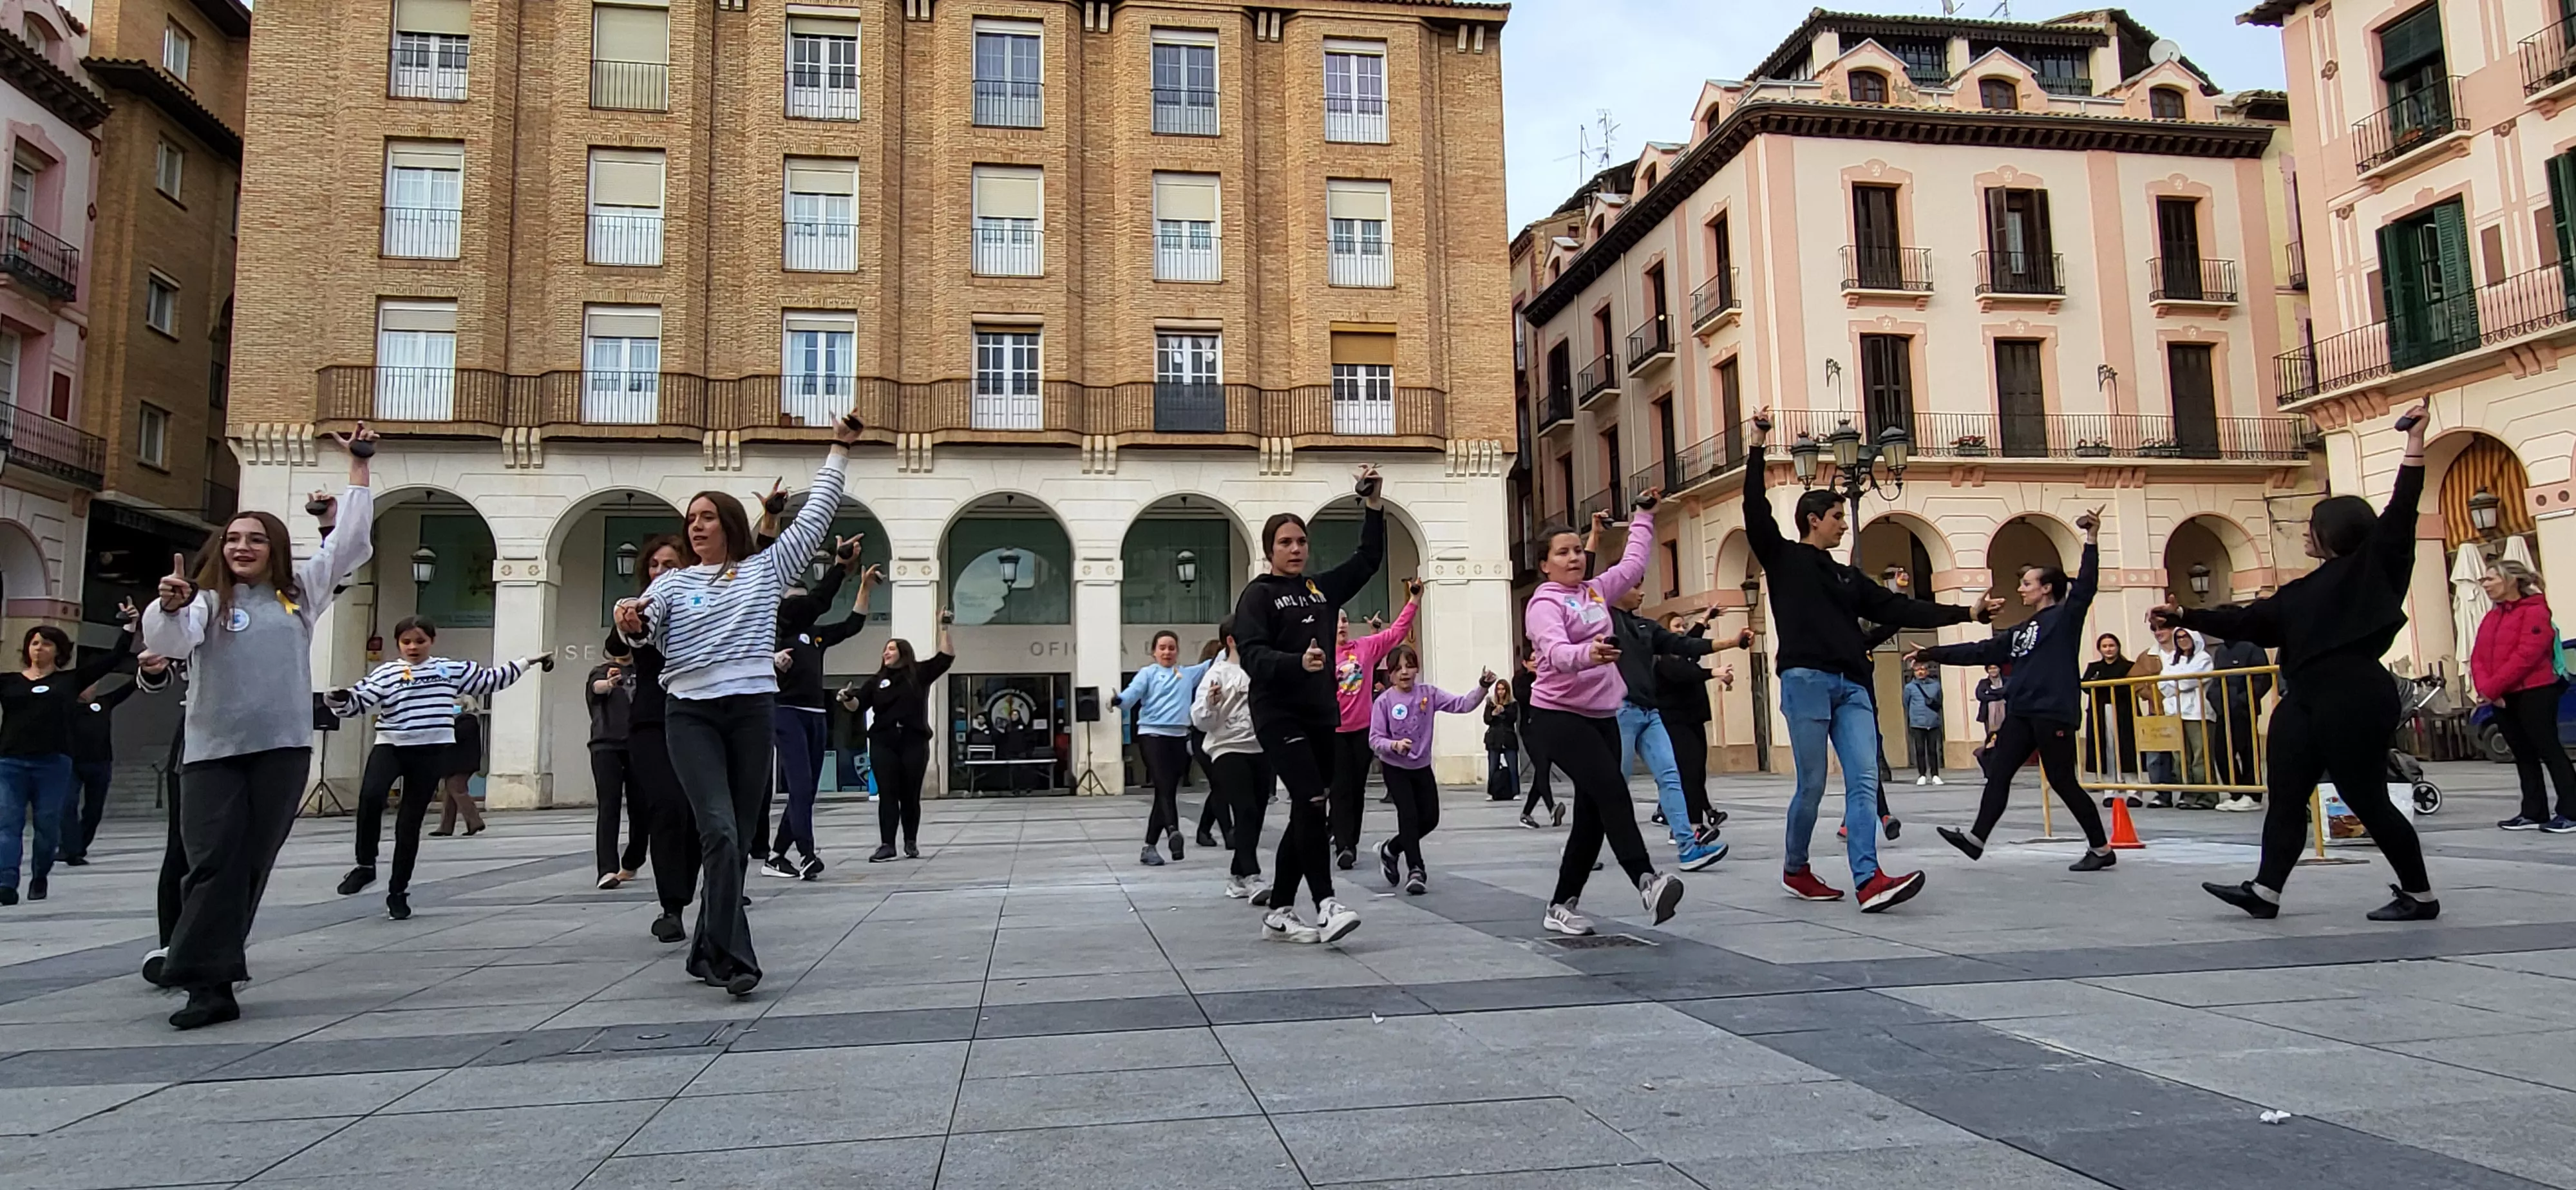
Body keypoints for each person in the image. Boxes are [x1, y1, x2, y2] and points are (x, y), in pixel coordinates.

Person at [2159, 401, 2439, 923]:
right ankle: (2266, 891)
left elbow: (2403, 507)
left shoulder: (2376, 567)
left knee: (2365, 796)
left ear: (2334, 532)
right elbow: (2250, 621)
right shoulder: (2303, 590)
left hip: (2354, 691)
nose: (2305, 534)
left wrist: (2415, 443)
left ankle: (2421, 894)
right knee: (2285, 792)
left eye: (2313, 526)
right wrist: (2186, 614)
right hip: (2304, 696)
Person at [614, 415, 863, 997]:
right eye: (690, 519)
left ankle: (706, 949)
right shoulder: (671, 585)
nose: (696, 526)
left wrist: (839, 449)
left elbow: (818, 512)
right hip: (691, 714)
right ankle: (734, 959)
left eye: (705, 517)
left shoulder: (764, 570)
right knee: (720, 831)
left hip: (752, 712)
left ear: (727, 524)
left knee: (738, 839)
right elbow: (639, 626)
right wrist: (631, 620)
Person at [142, 424, 379, 1029]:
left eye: (255, 539)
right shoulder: (203, 602)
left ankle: (213, 976)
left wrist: (358, 466)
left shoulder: (299, 594)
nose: (242, 547)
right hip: (213, 754)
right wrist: (167, 606)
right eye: (233, 539)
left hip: (281, 752)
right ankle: (201, 979)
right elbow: (171, 641)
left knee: (251, 863)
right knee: (212, 861)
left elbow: (348, 542)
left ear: (274, 548)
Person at [1745, 408, 1966, 912]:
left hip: (1853, 686)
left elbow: (1898, 607)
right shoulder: (1783, 558)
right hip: (1805, 681)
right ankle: (1796, 868)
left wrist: (1965, 610)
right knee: (1813, 784)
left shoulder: (1848, 578)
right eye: (1838, 517)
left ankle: (1869, 880)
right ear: (1812, 521)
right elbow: (1754, 509)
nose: (1845, 524)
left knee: (1865, 779)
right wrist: (1757, 445)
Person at [1228, 465, 1386, 945]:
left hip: (1322, 715)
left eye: (1301, 542)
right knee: (1313, 800)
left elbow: (1368, 560)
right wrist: (1299, 662)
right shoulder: (1257, 595)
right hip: (1279, 713)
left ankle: (1278, 909)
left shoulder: (1320, 589)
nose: (1296, 550)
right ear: (1269, 549)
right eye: (1286, 543)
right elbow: (1252, 655)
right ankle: (1326, 904)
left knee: (1307, 810)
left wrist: (1374, 506)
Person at [1526, 492, 1687, 937]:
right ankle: (1647, 881)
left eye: (1578, 550)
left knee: (1593, 813)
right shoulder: (1544, 603)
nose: (1574, 557)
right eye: (1563, 553)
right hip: (1557, 717)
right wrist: (1588, 654)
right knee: (1612, 789)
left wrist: (1644, 516)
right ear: (1546, 564)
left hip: (1602, 714)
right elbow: (1555, 651)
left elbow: (1633, 566)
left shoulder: (1595, 592)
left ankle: (1560, 904)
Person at [1920, 509, 2117, 872]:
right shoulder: (2023, 629)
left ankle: (2102, 849)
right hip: (2023, 711)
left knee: (2062, 780)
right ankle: (1976, 840)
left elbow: (2086, 585)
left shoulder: (2066, 616)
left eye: (2028, 583)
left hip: (2052, 710)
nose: (2021, 588)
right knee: (1999, 771)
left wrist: (2091, 540)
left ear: (2047, 588)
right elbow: (1982, 651)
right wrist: (1932, 654)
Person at [327, 618, 545, 918]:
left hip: (431, 750)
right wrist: (338, 700)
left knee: (409, 823)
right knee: (370, 796)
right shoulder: (386, 673)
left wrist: (526, 662)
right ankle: (365, 865)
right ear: (398, 644)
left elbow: (491, 680)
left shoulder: (448, 669)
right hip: (391, 744)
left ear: (432, 640)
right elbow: (359, 702)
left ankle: (398, 891)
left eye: (419, 641)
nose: (413, 647)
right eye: (406, 642)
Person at [2, 618, 138, 904]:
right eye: (35, 643)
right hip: (10, 762)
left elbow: (111, 659)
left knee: (47, 825)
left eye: (47, 643)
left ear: (59, 651)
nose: (39, 648)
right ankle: (6, 882)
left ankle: (40, 875)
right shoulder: (9, 682)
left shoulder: (70, 681)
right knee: (7, 824)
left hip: (53, 763)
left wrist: (128, 630)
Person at [764, 534, 869, 880]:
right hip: (786, 711)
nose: (798, 607)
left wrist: (864, 586)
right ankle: (807, 854)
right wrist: (771, 663)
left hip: (816, 714)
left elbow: (852, 625)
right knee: (799, 785)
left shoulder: (816, 637)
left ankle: (777, 855)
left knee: (807, 789)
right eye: (791, 601)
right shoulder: (769, 636)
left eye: (801, 600)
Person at [614, 534, 701, 943]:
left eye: (670, 564)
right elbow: (618, 642)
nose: (661, 571)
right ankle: (672, 907)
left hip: (698, 715)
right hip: (651, 720)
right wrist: (628, 620)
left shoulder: (701, 607)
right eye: (654, 565)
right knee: (666, 807)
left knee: (697, 813)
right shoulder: (636, 610)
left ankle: (692, 889)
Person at [1607, 585, 1730, 871]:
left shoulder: (1647, 627)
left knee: (1671, 776)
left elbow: (1685, 644)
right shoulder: (1605, 620)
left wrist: (1731, 643)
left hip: (1650, 713)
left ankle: (1688, 848)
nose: (1641, 591)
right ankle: (1582, 846)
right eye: (1634, 586)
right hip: (1621, 710)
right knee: (1612, 785)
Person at [843, 565, 954, 863]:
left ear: (902, 652)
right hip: (884, 742)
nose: (886, 652)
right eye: (885, 649)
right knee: (888, 794)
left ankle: (911, 841)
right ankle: (887, 844)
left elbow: (946, 659)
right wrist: (846, 700)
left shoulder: (918, 673)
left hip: (914, 741)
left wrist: (943, 627)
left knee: (910, 795)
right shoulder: (876, 681)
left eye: (891, 648)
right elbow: (859, 705)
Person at [1367, 646, 1492, 894]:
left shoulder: (1428, 694)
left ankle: (1391, 849)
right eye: (1399, 668)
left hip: (1421, 767)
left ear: (1417, 668)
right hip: (1395, 768)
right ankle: (1417, 870)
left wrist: (1483, 687)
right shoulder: (1384, 702)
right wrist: (1394, 745)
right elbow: (1374, 739)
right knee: (1409, 816)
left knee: (1430, 819)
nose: (1405, 672)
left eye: (1410, 666)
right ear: (1390, 673)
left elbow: (1462, 705)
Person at [2473, 558, 2576, 832]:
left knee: (2548, 749)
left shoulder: (2535, 612)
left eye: (2491, 578)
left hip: (2535, 691)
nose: (2485, 584)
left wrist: (2494, 688)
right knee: (2522, 753)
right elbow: (2478, 656)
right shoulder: (2492, 617)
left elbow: (2527, 655)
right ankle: (2533, 811)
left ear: (2510, 581)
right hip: (2502, 695)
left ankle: (2571, 810)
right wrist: (2487, 689)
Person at [1329, 579, 1420, 869]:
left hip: (1362, 731)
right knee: (1340, 788)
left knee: (1357, 790)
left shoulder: (1365, 649)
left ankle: (1349, 842)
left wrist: (1414, 600)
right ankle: (1343, 844)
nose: (1341, 626)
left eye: (1344, 620)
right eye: (1335, 622)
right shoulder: (1319, 656)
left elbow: (1397, 633)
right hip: (1333, 732)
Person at [1113, 629, 1217, 865]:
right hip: (1152, 736)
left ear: (1178, 651)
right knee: (1164, 787)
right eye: (1162, 648)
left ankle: (1149, 847)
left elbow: (1216, 661)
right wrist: (1119, 700)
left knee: (1165, 790)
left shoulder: (1188, 674)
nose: (1167, 652)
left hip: (1179, 737)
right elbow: (1131, 695)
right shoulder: (1147, 674)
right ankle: (1173, 832)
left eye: (1171, 648)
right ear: (1154, 652)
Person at [1191, 618, 1270, 898]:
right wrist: (1213, 702)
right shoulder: (1217, 673)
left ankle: (1237, 875)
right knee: (1245, 809)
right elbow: (1201, 721)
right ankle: (1251, 874)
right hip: (1227, 748)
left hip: (1261, 748)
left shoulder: (1262, 667)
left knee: (1257, 814)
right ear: (1231, 641)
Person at [1658, 612, 1743, 842]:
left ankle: (1692, 822)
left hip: (1693, 718)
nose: (1681, 629)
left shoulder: (1681, 652)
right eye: (1676, 626)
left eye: (1683, 626)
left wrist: (1705, 620)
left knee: (1696, 772)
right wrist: (1713, 673)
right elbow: (1680, 675)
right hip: (1675, 722)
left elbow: (1693, 642)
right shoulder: (1663, 657)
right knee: (1688, 772)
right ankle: (1687, 826)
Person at [586, 651, 645, 884]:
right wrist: (609, 684)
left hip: (639, 745)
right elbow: (597, 687)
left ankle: (632, 861)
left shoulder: (644, 670)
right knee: (609, 806)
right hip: (605, 744)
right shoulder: (601, 671)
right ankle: (607, 870)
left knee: (641, 809)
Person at [2153, 625, 2217, 808]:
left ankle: (2207, 795)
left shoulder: (2203, 658)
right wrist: (2177, 684)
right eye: (2179, 638)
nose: (2182, 640)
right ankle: (2188, 794)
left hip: (2198, 712)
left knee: (2200, 756)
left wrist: (2175, 684)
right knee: (2180, 757)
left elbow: (2193, 680)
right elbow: (2162, 684)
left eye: (2185, 637)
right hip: (2175, 712)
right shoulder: (2173, 661)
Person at [2208, 635, 2273, 811]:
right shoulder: (2221, 650)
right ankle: (2235, 793)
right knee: (2221, 751)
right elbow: (2215, 680)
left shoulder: (2253, 646)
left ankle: (2252, 794)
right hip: (2223, 709)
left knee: (2247, 751)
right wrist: (2216, 701)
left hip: (2245, 709)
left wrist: (2243, 700)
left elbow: (2263, 678)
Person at [2083, 633, 2141, 808]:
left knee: (2126, 747)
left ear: (2118, 647)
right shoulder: (2094, 667)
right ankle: (2110, 789)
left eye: (2111, 646)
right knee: (2106, 750)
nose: (2108, 649)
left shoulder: (2128, 666)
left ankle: (2134, 790)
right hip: (2101, 712)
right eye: (2105, 646)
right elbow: (2086, 686)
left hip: (2124, 711)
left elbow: (2129, 685)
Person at [1513, 647, 1564, 827]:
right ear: (1525, 663)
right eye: (1532, 659)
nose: (1536, 662)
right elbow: (1523, 697)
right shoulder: (1521, 680)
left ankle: (1526, 814)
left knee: (1541, 773)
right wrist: (1538, 683)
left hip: (1547, 729)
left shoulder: (1547, 676)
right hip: (1530, 730)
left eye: (1538, 658)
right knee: (1542, 768)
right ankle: (1552, 808)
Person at [1190, 637, 1231, 849]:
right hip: (1202, 734)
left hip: (1217, 733)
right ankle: (1227, 830)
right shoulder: (1204, 677)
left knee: (1220, 785)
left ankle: (1204, 830)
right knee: (1220, 784)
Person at [433, 698, 488, 836]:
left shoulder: (468, 722)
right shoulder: (459, 721)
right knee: (449, 794)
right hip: (454, 764)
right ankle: (446, 827)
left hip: (462, 764)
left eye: (455, 706)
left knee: (457, 790)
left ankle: (475, 821)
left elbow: (455, 736)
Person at [1902, 660, 1944, 786]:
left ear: (1927, 671)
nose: (1921, 672)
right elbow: (1906, 703)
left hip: (1933, 722)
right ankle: (1922, 775)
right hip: (1917, 723)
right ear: (1914, 672)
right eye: (1918, 670)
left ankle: (1935, 775)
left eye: (1923, 669)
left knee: (1933, 750)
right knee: (1920, 750)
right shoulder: (1909, 687)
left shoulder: (1936, 685)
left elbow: (1939, 701)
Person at [1484, 668, 1521, 802]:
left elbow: (1512, 718)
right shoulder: (1491, 703)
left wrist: (1503, 711)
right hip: (1494, 738)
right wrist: (1493, 713)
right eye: (1499, 689)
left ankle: (1515, 791)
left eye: (1503, 689)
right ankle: (1492, 792)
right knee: (1492, 766)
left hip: (1508, 738)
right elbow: (1487, 719)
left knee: (1512, 766)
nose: (1501, 692)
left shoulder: (1513, 704)